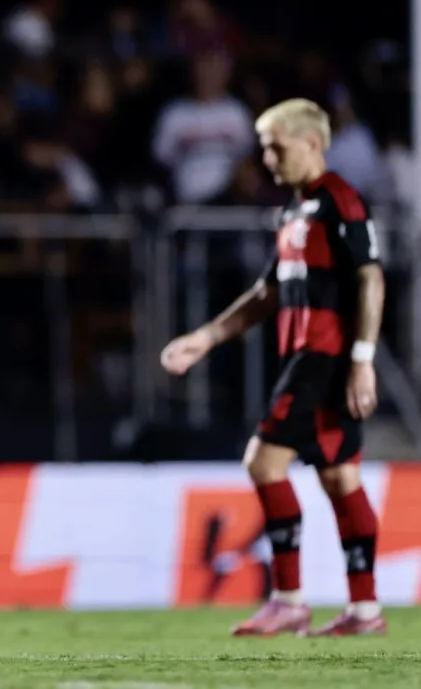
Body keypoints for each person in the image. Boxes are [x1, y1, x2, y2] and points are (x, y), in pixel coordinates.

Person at [160, 98, 387, 637]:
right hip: (307, 357)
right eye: (263, 147)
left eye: (275, 146)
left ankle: (287, 599)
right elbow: (267, 292)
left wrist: (362, 360)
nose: (265, 158)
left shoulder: (341, 202)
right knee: (339, 477)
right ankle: (365, 610)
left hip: (324, 359)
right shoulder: (292, 211)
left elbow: (370, 279)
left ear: (311, 142)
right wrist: (207, 337)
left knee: (263, 464)